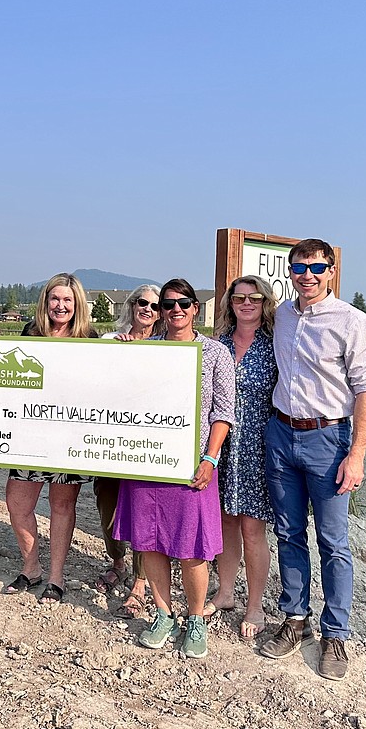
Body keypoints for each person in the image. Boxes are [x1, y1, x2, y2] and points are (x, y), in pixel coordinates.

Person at [260, 238, 366, 681]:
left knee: (333, 540)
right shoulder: (284, 316)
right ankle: (295, 620)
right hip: (281, 433)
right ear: (289, 271)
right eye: (298, 268)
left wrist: (357, 453)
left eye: (316, 268)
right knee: (289, 532)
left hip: (329, 440)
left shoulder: (353, 322)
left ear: (331, 272)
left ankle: (336, 633)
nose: (306, 276)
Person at [113, 278, 235, 660]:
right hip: (146, 462)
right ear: (161, 312)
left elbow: (223, 411)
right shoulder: (145, 350)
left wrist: (210, 458)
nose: (176, 310)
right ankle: (164, 613)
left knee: (191, 545)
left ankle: (195, 617)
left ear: (196, 308)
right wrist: (118, 354)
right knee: (149, 540)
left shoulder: (215, 353)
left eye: (184, 303)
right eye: (168, 304)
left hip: (191, 466)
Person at [3, 272, 97, 604]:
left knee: (61, 505)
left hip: (69, 437)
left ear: (77, 304)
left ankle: (56, 577)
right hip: (32, 435)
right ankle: (31, 567)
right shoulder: (31, 333)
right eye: (55, 299)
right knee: (17, 502)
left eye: (67, 300)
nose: (60, 305)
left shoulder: (89, 337)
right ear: (46, 302)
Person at [206, 275, 278, 641]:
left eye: (254, 298)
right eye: (239, 298)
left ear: (265, 302)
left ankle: (255, 604)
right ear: (229, 303)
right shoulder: (216, 344)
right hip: (221, 445)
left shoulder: (275, 345)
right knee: (225, 523)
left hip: (258, 447)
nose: (246, 303)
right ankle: (224, 592)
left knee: (253, 528)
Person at [96, 284, 160, 618]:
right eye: (141, 302)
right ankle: (117, 560)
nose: (147, 309)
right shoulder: (109, 342)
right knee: (107, 505)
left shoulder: (167, 350)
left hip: (145, 445)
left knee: (141, 511)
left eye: (155, 305)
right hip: (108, 444)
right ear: (131, 305)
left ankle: (140, 581)